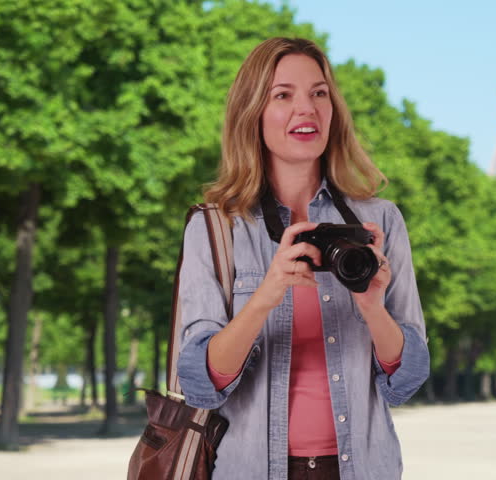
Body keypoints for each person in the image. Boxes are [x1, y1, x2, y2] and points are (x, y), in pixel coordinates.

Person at [177, 37, 429, 480]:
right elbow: (200, 383)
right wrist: (265, 294)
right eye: (283, 95)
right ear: (253, 112)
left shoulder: (380, 222)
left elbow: (406, 381)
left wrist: (372, 308)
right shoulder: (215, 227)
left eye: (319, 93)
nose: (306, 109)